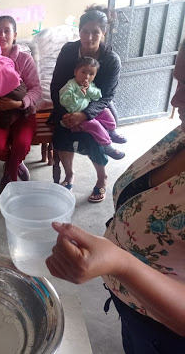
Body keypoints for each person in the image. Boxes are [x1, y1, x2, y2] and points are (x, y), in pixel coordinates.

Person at [46, 39, 185, 353]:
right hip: (134, 310)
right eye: (178, 81)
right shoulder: (181, 134)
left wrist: (122, 263)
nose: (175, 99)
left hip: (165, 335)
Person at [50, 5, 127, 202]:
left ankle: (102, 179)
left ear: (104, 33)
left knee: (95, 139)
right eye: (85, 31)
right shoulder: (68, 51)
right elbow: (56, 84)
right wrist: (67, 115)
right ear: (79, 30)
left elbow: (106, 96)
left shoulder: (111, 60)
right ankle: (69, 176)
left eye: (95, 32)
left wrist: (83, 116)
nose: (89, 37)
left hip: (97, 109)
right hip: (68, 107)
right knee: (61, 134)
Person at [0, 15, 42, 188]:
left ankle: (10, 176)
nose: (2, 35)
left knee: (22, 144)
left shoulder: (24, 60)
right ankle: (15, 162)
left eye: (7, 31)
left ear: (15, 35)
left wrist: (19, 104)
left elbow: (36, 89)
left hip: (23, 114)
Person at [59, 57, 125, 164]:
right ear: (76, 72)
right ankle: (107, 146)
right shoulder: (70, 85)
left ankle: (112, 131)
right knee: (95, 125)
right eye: (83, 72)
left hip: (87, 112)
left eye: (91, 74)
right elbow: (64, 101)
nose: (86, 76)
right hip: (75, 117)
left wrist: (89, 89)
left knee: (106, 112)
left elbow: (98, 96)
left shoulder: (90, 85)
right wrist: (79, 94)